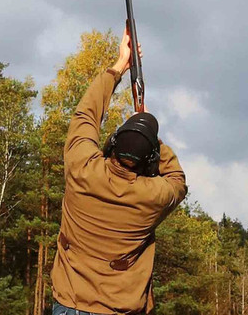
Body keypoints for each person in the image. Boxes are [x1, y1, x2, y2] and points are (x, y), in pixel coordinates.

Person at [51, 27, 188, 315]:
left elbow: (86, 114)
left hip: (68, 305)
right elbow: (177, 181)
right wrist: (149, 130)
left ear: (112, 144)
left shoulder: (82, 168)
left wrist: (118, 66)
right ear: (149, 161)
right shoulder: (152, 196)